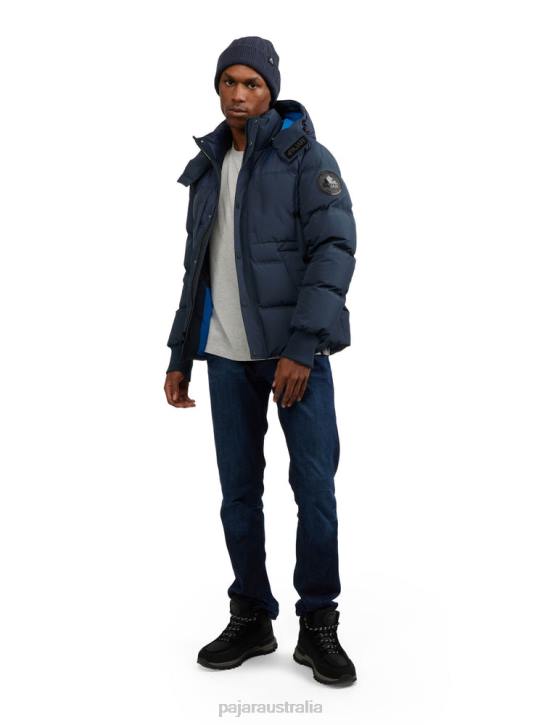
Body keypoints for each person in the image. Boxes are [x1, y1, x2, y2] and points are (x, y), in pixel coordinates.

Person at [164, 36, 358, 686]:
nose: (240, 95)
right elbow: (197, 268)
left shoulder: (305, 158)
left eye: (252, 84)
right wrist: (180, 353)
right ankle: (251, 614)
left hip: (293, 358)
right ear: (217, 88)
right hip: (225, 357)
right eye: (230, 82)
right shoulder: (208, 165)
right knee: (239, 495)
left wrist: (302, 347)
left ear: (271, 90)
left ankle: (318, 621)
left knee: (315, 489)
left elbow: (334, 251)